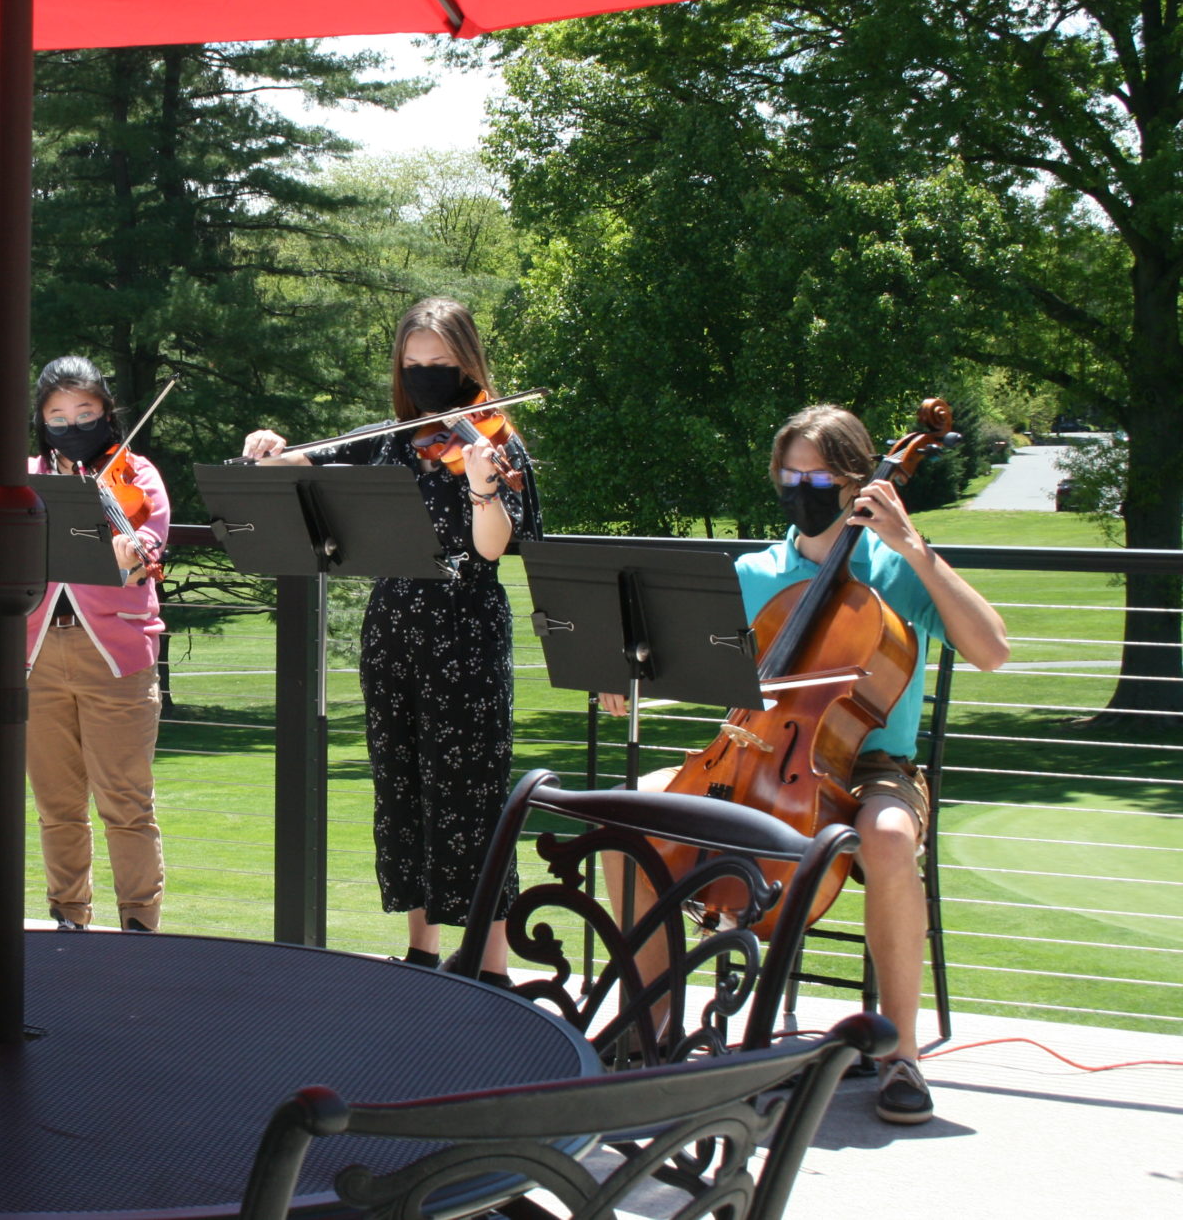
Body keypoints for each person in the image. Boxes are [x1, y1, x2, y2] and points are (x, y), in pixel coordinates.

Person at [605, 404, 1008, 1125]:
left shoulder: (894, 565)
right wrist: (628, 672)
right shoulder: (754, 570)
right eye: (788, 474)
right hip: (757, 757)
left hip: (872, 767)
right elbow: (683, 661)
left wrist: (915, 546)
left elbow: (992, 650)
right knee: (633, 811)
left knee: (885, 836)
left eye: (817, 474)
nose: (800, 486)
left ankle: (900, 1054)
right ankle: (652, 1029)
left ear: (857, 477)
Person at [242, 297, 539, 977]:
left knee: (472, 795)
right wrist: (269, 447)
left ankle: (491, 965)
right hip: (395, 630)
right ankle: (420, 949)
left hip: (464, 635)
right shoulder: (395, 440)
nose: (429, 375)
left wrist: (486, 489)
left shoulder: (496, 443)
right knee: (402, 792)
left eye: (442, 363)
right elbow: (309, 467)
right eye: (416, 364)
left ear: (469, 363)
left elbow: (491, 549)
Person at [24, 356, 169, 932]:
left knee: (126, 804)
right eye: (57, 415)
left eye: (85, 412)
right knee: (56, 806)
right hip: (35, 653)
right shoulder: (25, 473)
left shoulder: (136, 473)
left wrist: (131, 552)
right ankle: (67, 917)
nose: (71, 425)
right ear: (40, 421)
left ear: (107, 411)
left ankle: (139, 923)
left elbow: (147, 549)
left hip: (114, 655)